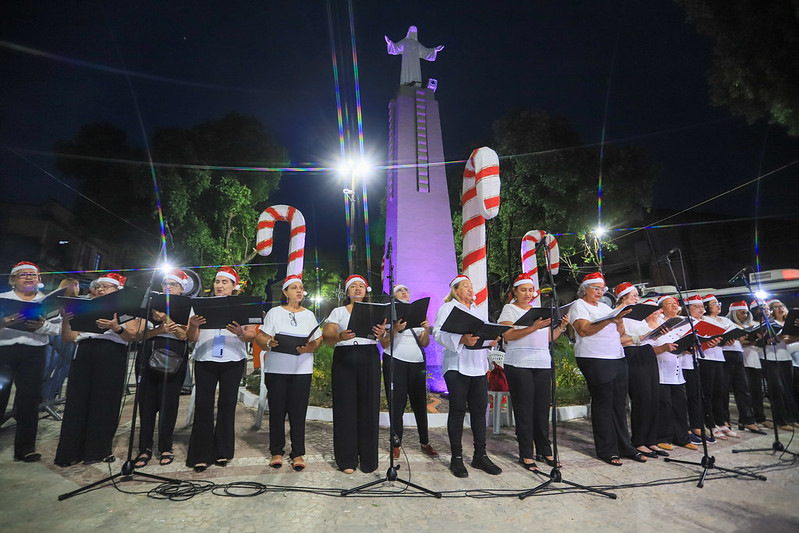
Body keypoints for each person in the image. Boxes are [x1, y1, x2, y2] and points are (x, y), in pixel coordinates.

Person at [55, 273, 144, 466]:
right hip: (84, 351)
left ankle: (97, 451)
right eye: (99, 286)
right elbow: (69, 338)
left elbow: (133, 335)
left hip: (111, 352)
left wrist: (116, 327)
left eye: (106, 286)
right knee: (77, 401)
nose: (101, 289)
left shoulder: (125, 308)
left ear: (117, 291)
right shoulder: (85, 306)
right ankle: (69, 452)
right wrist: (66, 320)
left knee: (105, 402)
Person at [568, 272, 645, 466]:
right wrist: (610, 320)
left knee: (619, 403)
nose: (600, 292)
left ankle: (625, 446)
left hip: (616, 356)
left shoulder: (605, 307)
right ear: (585, 289)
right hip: (594, 357)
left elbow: (619, 332)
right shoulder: (579, 305)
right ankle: (607, 449)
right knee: (603, 403)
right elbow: (584, 330)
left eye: (602, 289)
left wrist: (619, 320)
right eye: (596, 288)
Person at [185, 266, 257, 472]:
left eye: (225, 282)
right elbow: (191, 337)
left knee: (227, 405)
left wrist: (240, 332)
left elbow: (251, 334)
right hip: (205, 359)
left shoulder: (243, 306)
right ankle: (200, 454)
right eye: (217, 281)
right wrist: (193, 325)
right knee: (203, 405)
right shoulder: (199, 306)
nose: (220, 285)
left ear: (234, 286)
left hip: (233, 360)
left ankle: (223, 451)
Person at [433, 275, 503, 478]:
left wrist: (491, 341)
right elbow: (437, 333)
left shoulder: (478, 311)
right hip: (457, 366)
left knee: (479, 412)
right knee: (457, 411)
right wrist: (461, 339)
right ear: (455, 290)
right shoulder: (447, 309)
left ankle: (480, 455)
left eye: (472, 286)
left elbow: (483, 335)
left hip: (478, 367)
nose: (471, 290)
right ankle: (456, 458)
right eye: (466, 286)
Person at [498, 273, 568, 472]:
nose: (528, 294)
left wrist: (562, 327)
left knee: (542, 410)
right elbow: (508, 335)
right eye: (523, 290)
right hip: (519, 364)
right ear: (515, 291)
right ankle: (526, 453)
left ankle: (544, 450)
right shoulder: (509, 309)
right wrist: (533, 326)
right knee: (525, 411)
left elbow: (547, 338)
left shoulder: (538, 312)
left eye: (530, 290)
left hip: (542, 363)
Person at [254, 275, 322, 471]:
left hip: (302, 370)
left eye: (301, 287)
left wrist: (310, 347)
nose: (299, 290)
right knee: (277, 411)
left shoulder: (309, 315)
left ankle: (298, 452)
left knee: (298, 412)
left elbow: (317, 340)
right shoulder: (274, 313)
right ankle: (276, 451)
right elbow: (260, 338)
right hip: (277, 369)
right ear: (285, 292)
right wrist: (269, 342)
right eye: (294, 287)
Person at [322, 275, 387, 474]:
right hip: (345, 357)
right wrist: (339, 336)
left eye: (361, 286)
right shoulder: (338, 311)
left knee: (369, 406)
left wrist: (382, 334)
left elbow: (386, 343)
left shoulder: (375, 311)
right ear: (347, 291)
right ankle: (347, 459)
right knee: (345, 408)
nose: (357, 289)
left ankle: (368, 459)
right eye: (353, 286)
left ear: (366, 291)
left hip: (369, 356)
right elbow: (327, 337)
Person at [0, 261, 62, 462]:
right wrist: (5, 322)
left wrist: (42, 325)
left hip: (34, 353)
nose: (29, 277)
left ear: (38, 279)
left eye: (32, 275)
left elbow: (57, 328)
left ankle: (25, 448)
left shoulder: (47, 302)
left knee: (29, 399)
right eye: (23, 274)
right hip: (4, 351)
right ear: (13, 280)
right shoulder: (3, 299)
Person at [134, 270, 191, 468]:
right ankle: (145, 447)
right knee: (146, 405)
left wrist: (166, 319)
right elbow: (137, 335)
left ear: (182, 288)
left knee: (169, 404)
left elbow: (185, 335)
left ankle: (166, 446)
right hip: (148, 355)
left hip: (174, 358)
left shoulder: (187, 306)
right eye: (165, 283)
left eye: (173, 284)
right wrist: (158, 329)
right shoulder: (150, 303)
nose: (168, 287)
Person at [379, 284, 438, 459]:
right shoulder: (389, 313)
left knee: (420, 403)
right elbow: (384, 343)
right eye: (399, 290)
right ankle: (396, 443)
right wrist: (395, 329)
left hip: (417, 363)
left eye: (406, 290)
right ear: (394, 296)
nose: (404, 292)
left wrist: (426, 329)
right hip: (395, 361)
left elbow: (424, 343)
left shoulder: (419, 313)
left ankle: (425, 441)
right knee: (397, 404)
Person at [615, 284, 673, 458]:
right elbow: (618, 339)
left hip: (647, 353)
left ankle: (651, 440)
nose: (636, 298)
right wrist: (638, 338)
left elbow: (646, 337)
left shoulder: (639, 316)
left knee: (654, 397)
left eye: (637, 295)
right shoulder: (618, 314)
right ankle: (639, 441)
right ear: (623, 296)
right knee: (642, 398)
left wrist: (658, 333)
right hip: (633, 355)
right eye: (633, 295)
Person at [651, 296, 695, 452]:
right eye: (670, 304)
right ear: (661, 309)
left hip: (677, 372)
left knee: (680, 405)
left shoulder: (682, 323)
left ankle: (682, 437)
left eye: (676, 303)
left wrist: (687, 348)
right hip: (662, 371)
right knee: (664, 406)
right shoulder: (658, 323)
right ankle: (663, 437)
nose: (674, 306)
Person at [721, 300, 764, 434]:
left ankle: (747, 420)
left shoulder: (748, 325)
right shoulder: (726, 322)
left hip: (738, 355)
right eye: (741, 313)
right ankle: (724, 420)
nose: (744, 315)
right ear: (733, 313)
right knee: (724, 391)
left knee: (743, 389)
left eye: (746, 313)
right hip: (725, 355)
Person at [700, 294, 737, 440]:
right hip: (705, 358)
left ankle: (721, 422)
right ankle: (710, 424)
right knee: (708, 393)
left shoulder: (723, 320)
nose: (718, 306)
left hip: (719, 357)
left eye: (718, 303)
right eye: (714, 304)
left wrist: (729, 340)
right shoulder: (703, 319)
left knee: (719, 392)